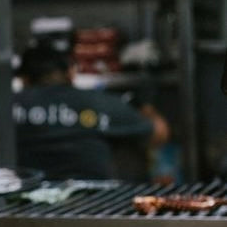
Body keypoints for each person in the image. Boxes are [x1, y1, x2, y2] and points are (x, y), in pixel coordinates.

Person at [12, 44, 169, 180]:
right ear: (71, 73)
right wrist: (145, 105)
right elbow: (159, 134)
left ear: (23, 79)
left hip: (24, 198)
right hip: (93, 199)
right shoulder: (97, 102)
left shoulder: (9, 105)